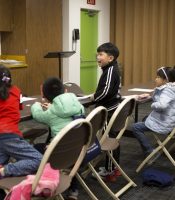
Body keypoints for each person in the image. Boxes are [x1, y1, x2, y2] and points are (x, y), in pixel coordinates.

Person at [0, 65, 43, 200]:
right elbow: (18, 107)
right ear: (9, 79)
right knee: (39, 160)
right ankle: (4, 171)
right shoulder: (16, 91)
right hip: (11, 136)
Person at [31, 77, 85, 200]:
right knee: (69, 152)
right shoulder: (78, 105)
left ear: (45, 95)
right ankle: (73, 190)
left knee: (34, 149)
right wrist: (53, 106)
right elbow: (64, 113)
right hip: (79, 150)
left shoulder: (52, 114)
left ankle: (42, 184)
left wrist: (36, 105)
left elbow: (38, 115)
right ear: (65, 91)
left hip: (60, 155)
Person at [132, 67, 175, 157]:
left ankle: (150, 152)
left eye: (158, 77)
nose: (155, 79)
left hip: (167, 123)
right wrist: (150, 97)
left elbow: (162, 105)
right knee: (145, 118)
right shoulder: (174, 87)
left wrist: (153, 104)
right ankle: (152, 147)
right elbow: (165, 99)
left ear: (165, 80)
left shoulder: (167, 90)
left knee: (136, 127)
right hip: (174, 120)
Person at [90, 42, 122, 182]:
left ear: (110, 58)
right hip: (111, 108)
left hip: (107, 111)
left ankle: (110, 171)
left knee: (108, 139)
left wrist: (93, 98)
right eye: (97, 54)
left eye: (101, 54)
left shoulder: (110, 70)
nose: (98, 57)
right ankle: (113, 168)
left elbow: (105, 91)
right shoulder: (111, 68)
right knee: (112, 138)